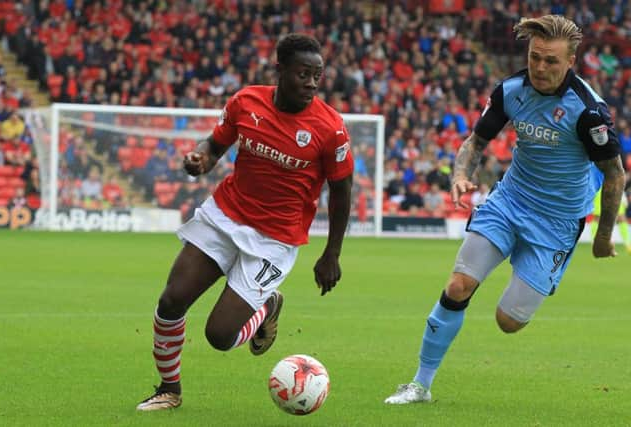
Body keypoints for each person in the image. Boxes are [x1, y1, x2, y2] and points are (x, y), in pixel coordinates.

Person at [385, 15, 625, 405]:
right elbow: (475, 143)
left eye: (551, 61)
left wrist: (601, 239)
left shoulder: (589, 112)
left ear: (570, 62)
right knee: (458, 285)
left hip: (559, 221)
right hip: (510, 201)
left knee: (508, 322)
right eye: (535, 58)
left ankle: (531, 267)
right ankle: (420, 384)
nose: (541, 68)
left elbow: (615, 176)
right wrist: (461, 175)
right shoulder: (511, 91)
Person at [137, 33, 354, 411]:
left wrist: (331, 254)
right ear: (280, 70)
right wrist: (201, 160)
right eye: (303, 73)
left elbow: (342, 191)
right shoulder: (246, 101)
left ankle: (267, 306)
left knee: (220, 335)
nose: (311, 83)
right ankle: (169, 389)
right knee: (171, 301)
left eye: (317, 75)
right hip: (225, 216)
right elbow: (216, 144)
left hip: (275, 239)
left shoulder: (329, 128)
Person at [590, 167, 631, 253]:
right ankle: (595, 241)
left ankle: (628, 243)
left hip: (613, 186)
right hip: (600, 187)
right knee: (598, 217)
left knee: (620, 217)